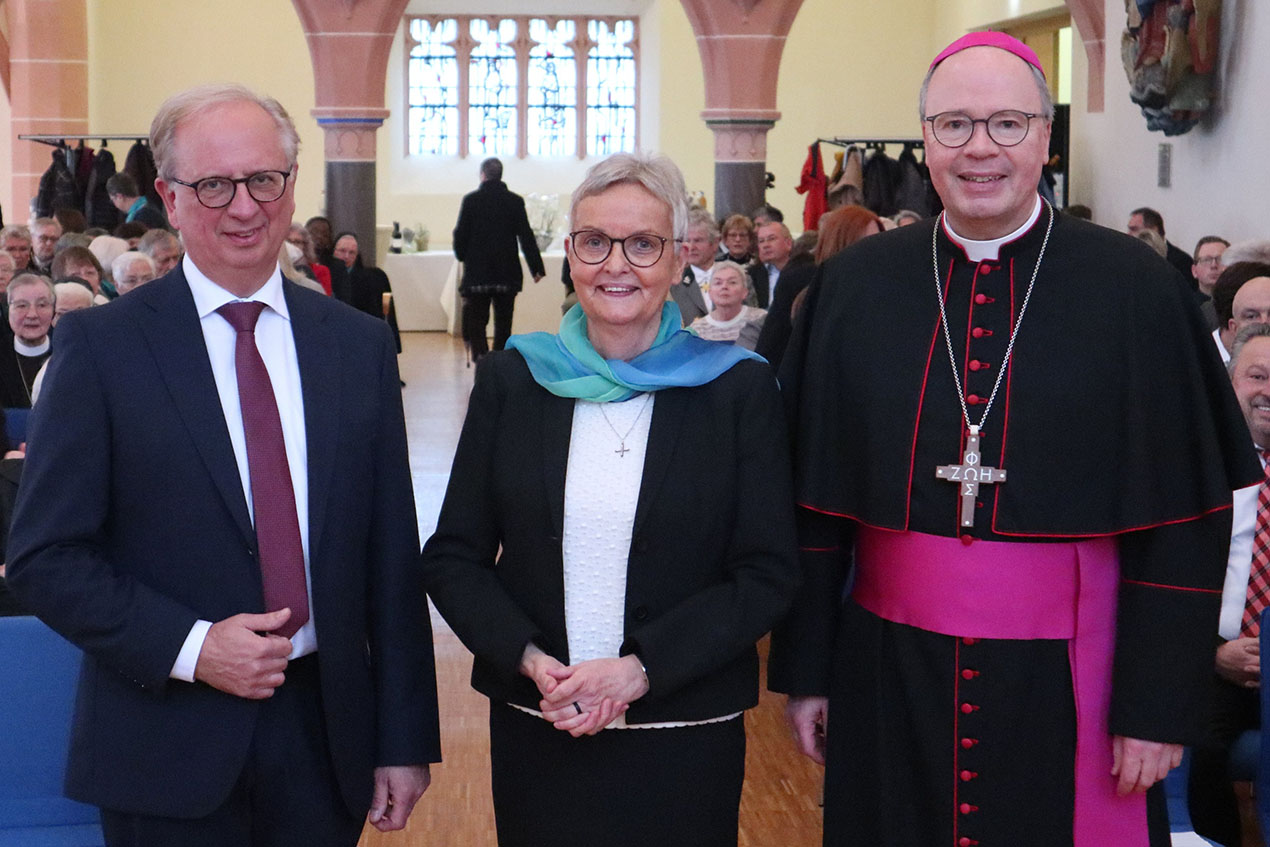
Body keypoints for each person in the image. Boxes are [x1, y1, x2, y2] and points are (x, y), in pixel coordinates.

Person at [768, 31, 1258, 847]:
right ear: (925, 141)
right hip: (890, 666)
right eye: (954, 124)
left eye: (1006, 123)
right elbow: (817, 508)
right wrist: (808, 670)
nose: (979, 148)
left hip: (1080, 678)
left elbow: (1183, 519)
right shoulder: (855, 287)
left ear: (1044, 136)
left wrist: (1155, 704)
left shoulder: (1136, 289)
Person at [6, 82, 440, 847]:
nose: (244, 207)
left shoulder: (355, 346)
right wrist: (195, 647)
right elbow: (45, 557)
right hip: (163, 739)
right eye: (214, 185)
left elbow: (389, 557)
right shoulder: (103, 350)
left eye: (262, 180)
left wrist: (403, 736)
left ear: (290, 184)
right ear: (170, 197)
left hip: (322, 737)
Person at [421, 151, 798, 847]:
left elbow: (767, 571)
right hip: (544, 720)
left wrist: (638, 671)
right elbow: (453, 557)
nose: (616, 265)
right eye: (595, 242)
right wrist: (534, 662)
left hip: (683, 731)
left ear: (679, 258)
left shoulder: (736, 389)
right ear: (569, 253)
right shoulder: (515, 380)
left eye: (643, 244)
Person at [1188, 321, 1270, 846]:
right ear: (1229, 382)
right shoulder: (1199, 471)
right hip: (1214, 662)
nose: (1269, 392)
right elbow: (1169, 582)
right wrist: (1212, 651)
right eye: (1257, 375)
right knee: (1197, 746)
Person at [755, 205, 883, 372]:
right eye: (865, 241)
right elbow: (774, 347)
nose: (876, 249)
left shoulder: (881, 288)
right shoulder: (805, 283)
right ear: (842, 241)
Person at [452, 157, 546, 362]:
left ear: (482, 175)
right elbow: (525, 235)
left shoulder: (471, 201)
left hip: (478, 273)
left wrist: (461, 255)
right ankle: (499, 361)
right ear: (500, 175)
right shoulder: (514, 201)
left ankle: (482, 359)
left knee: (477, 321)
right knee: (504, 322)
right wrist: (536, 268)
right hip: (506, 273)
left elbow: (461, 234)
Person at [0, 273, 55, 408]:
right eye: (21, 306)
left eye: (42, 305)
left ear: (53, 310)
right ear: (8, 311)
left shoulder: (69, 355)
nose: (32, 314)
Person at [689, 260, 765, 347]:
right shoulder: (697, 329)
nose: (724, 287)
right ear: (710, 293)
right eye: (718, 283)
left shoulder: (760, 319)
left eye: (732, 282)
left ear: (745, 292)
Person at [1127, 206, 1193, 281]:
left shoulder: (1182, 262)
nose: (1128, 234)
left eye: (1134, 229)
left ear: (1153, 230)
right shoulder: (1130, 259)